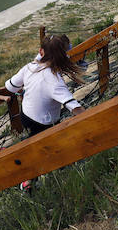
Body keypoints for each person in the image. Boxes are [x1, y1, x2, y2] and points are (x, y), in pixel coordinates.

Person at [6, 35, 84, 189]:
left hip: (25, 114)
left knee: (37, 145)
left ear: (41, 52)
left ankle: (31, 178)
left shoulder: (29, 67)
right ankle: (29, 181)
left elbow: (10, 86)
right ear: (62, 56)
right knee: (46, 149)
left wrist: (23, 92)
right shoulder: (54, 80)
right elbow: (74, 107)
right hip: (43, 122)